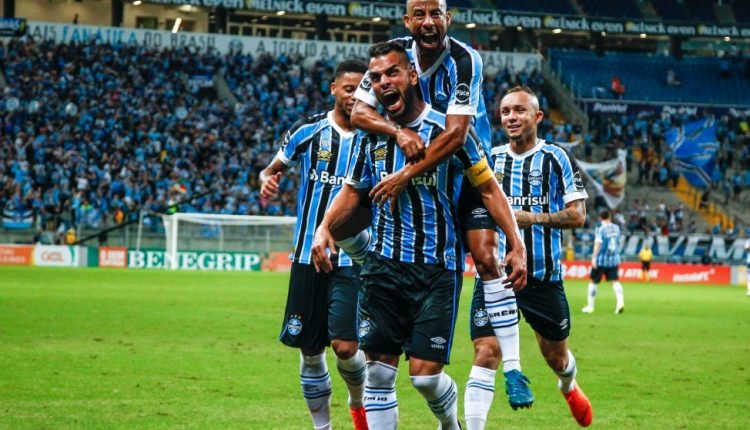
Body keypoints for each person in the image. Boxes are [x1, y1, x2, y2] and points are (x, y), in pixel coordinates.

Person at [312, 41, 526, 430]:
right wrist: (324, 227)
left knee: (425, 377)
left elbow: (489, 189)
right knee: (378, 374)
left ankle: (449, 423)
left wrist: (516, 241)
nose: (383, 82)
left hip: (436, 270)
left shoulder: (448, 133)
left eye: (392, 73)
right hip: (383, 267)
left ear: (412, 75)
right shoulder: (371, 136)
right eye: (376, 77)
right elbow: (352, 191)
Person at [259, 59, 370, 430]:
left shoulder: (376, 137)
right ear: (334, 89)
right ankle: (322, 427)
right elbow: (271, 168)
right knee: (310, 350)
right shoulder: (308, 131)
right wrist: (266, 179)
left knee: (346, 347)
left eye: (362, 90)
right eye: (349, 89)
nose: (355, 96)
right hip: (307, 255)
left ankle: (358, 406)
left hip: (352, 258)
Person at [489, 85, 593, 427]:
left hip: (543, 277)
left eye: (519, 110)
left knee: (556, 357)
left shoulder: (556, 157)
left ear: (538, 116)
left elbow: (578, 215)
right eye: (505, 111)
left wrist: (532, 218)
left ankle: (568, 386)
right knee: (486, 352)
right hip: (498, 277)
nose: (511, 117)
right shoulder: (491, 159)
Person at [583, 210, 625, 314]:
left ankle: (590, 306)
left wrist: (594, 257)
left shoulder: (600, 229)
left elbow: (598, 243)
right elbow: (618, 242)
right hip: (614, 259)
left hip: (601, 260)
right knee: (615, 281)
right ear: (610, 217)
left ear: (600, 218)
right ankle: (620, 302)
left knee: (593, 281)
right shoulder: (617, 228)